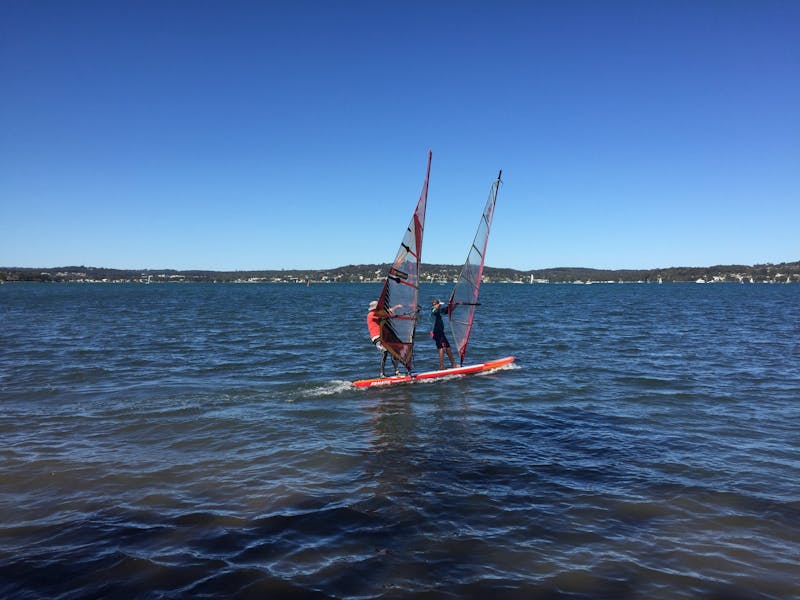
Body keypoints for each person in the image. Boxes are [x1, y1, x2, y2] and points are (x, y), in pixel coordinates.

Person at [367, 300, 400, 377]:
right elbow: (383, 315)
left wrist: (395, 308)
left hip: (383, 337)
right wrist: (392, 310)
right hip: (376, 337)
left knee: (393, 352)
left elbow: (385, 315)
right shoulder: (371, 314)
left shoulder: (377, 314)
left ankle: (397, 372)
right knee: (384, 352)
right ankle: (382, 374)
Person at [431, 298, 457, 370]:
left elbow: (447, 311)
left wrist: (454, 305)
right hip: (436, 333)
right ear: (435, 305)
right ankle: (441, 366)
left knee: (448, 347)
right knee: (441, 348)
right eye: (438, 305)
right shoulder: (434, 310)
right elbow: (437, 311)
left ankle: (453, 364)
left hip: (441, 332)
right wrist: (446, 306)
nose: (439, 306)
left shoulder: (438, 311)